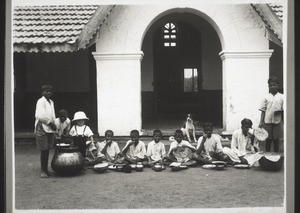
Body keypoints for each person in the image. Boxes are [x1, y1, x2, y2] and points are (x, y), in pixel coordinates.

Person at [34, 84, 57, 178]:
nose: (49, 93)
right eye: (47, 91)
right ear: (42, 92)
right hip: (42, 126)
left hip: (49, 126)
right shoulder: (41, 101)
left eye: (51, 91)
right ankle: (43, 171)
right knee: (44, 149)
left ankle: (46, 170)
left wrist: (54, 124)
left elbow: (53, 115)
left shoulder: (51, 102)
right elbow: (40, 116)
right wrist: (50, 123)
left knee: (47, 149)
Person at [259, 76, 284, 152]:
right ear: (268, 86)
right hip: (267, 122)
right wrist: (261, 122)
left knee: (276, 140)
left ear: (278, 86)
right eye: (271, 85)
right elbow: (263, 110)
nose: (273, 87)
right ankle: (267, 155)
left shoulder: (282, 97)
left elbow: (283, 110)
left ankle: (276, 155)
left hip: (277, 122)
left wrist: (283, 121)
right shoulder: (266, 97)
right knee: (268, 140)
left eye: (274, 85)